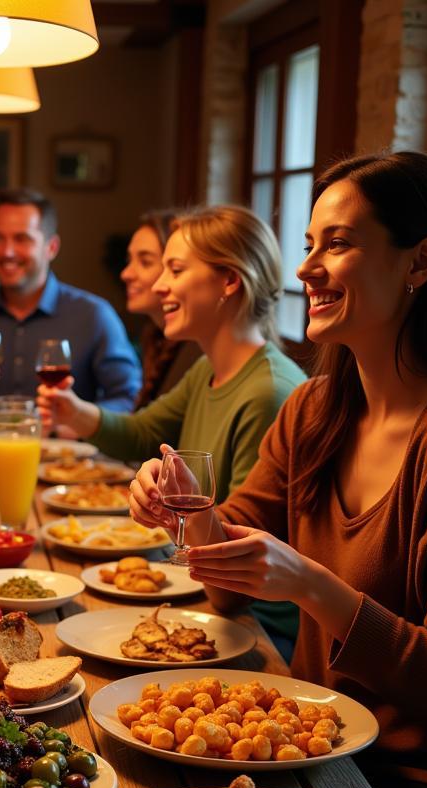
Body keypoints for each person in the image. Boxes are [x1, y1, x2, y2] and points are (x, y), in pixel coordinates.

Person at [130, 152, 427, 788]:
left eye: (338, 243)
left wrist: (315, 589)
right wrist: (191, 509)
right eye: (308, 245)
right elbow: (229, 589)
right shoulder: (317, 410)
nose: (306, 270)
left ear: (422, 261)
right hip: (320, 749)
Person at [39, 205, 305, 651]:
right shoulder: (208, 368)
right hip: (204, 593)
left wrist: (180, 509)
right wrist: (75, 412)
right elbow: (143, 433)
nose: (159, 284)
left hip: (255, 632)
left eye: (175, 269)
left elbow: (233, 571)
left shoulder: (268, 393)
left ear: (229, 281)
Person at [0, 187, 141, 410]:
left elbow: (129, 397)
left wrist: (81, 423)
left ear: (51, 247)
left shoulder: (94, 314)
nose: (7, 252)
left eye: (22, 239)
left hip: (64, 445)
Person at [124, 209, 201, 408]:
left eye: (145, 262)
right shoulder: (154, 336)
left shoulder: (200, 351)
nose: (126, 274)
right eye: (129, 260)